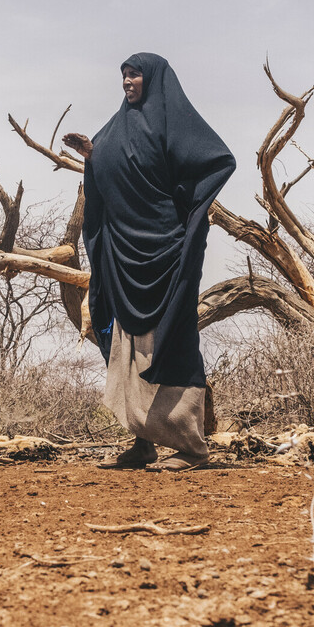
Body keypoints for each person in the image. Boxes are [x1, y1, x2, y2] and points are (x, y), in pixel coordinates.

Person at [63, 53, 235, 471]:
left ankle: (192, 449)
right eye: (123, 74)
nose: (127, 81)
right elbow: (109, 176)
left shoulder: (173, 122)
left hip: (166, 252)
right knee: (125, 345)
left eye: (135, 74)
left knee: (170, 341)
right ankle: (143, 443)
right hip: (124, 255)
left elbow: (217, 160)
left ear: (153, 78)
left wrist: (191, 213)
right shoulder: (113, 130)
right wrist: (91, 155)